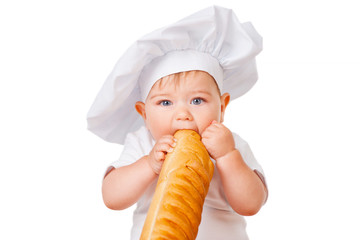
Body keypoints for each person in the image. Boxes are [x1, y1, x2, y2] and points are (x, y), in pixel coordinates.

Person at [87, 5, 268, 240]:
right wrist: (148, 165)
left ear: (222, 107)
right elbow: (111, 197)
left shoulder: (230, 144)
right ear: (144, 114)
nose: (183, 114)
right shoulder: (144, 144)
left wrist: (227, 156)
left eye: (197, 100)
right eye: (165, 103)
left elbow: (252, 204)